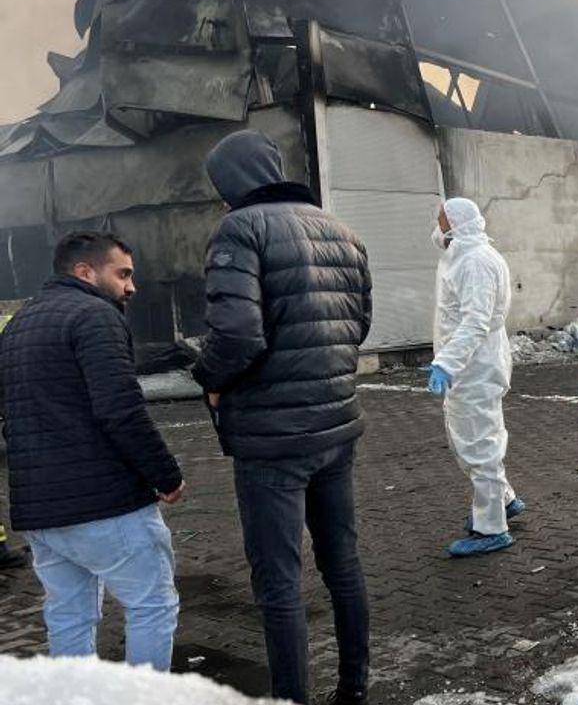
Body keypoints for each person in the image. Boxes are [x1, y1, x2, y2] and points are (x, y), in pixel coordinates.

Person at [195, 130, 373, 705]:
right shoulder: (340, 230)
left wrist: (211, 381)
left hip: (273, 439)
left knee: (279, 582)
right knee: (342, 563)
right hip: (336, 426)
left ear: (230, 182)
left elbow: (238, 334)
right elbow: (358, 324)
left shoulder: (240, 230)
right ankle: (353, 687)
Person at [0, 231, 184, 669]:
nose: (131, 286)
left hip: (41, 513)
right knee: (152, 606)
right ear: (85, 272)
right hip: (105, 506)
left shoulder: (19, 325)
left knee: (68, 616)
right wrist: (167, 475)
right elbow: (120, 409)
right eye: (122, 274)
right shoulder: (95, 316)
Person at [426, 198, 525, 557]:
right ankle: (505, 500)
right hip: (470, 365)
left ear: (457, 222)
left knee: (479, 444)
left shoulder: (476, 261)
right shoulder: (462, 257)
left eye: (441, 220)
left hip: (475, 366)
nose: (437, 227)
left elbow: (476, 321)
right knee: (466, 440)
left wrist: (447, 363)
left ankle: (492, 527)